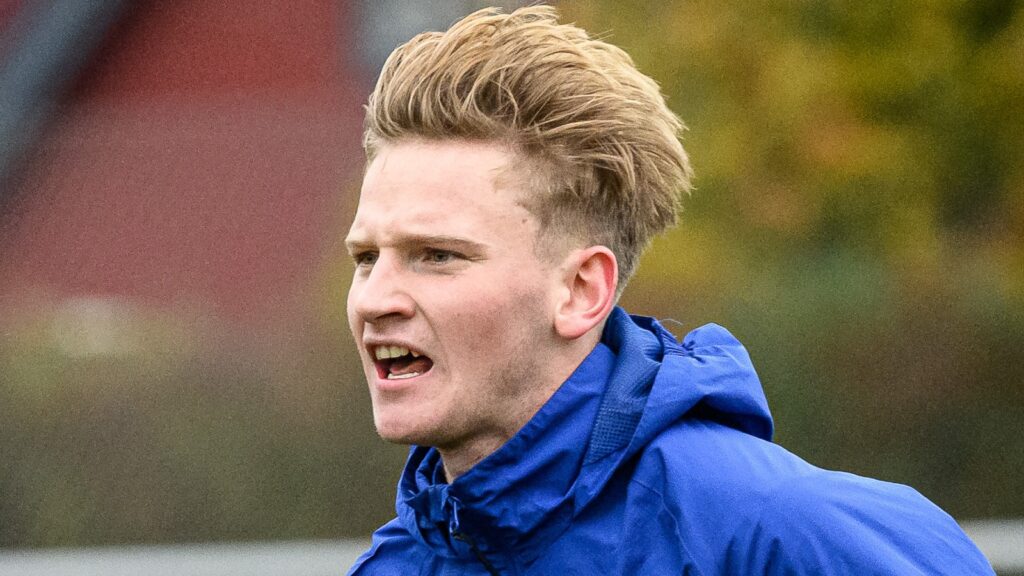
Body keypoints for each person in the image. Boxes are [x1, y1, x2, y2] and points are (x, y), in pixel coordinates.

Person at [344, 6, 993, 575]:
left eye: (437, 256)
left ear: (580, 290)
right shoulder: (392, 566)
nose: (375, 299)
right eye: (367, 258)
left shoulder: (791, 538)